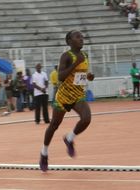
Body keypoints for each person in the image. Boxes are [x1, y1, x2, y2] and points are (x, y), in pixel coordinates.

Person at [39, 30, 95, 172]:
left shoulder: (85, 55)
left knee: (86, 119)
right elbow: (61, 77)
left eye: (82, 36)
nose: (81, 38)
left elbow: (80, 75)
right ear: (69, 41)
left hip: (77, 95)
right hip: (63, 96)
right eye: (77, 37)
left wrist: (88, 76)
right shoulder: (66, 56)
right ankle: (44, 153)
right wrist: (75, 63)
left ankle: (69, 138)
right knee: (54, 126)